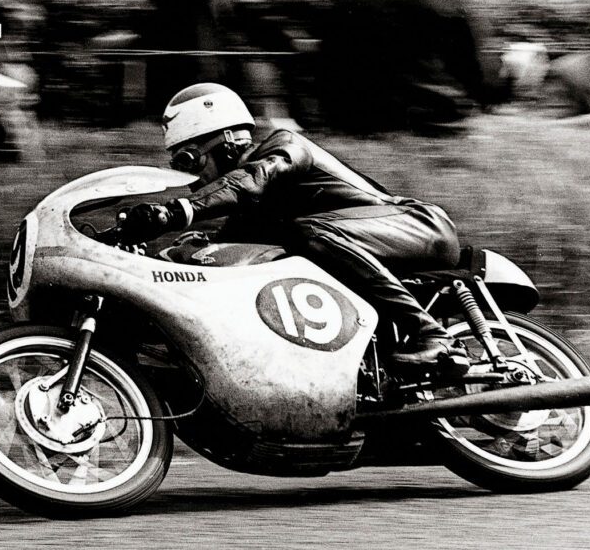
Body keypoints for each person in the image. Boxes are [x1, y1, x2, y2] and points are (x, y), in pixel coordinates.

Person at [121, 83, 469, 373]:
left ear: (227, 142)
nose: (190, 177)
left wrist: (172, 212)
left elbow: (250, 180)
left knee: (311, 232)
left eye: (189, 160)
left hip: (421, 226)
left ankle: (434, 335)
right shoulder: (250, 216)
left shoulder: (285, 146)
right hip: (361, 239)